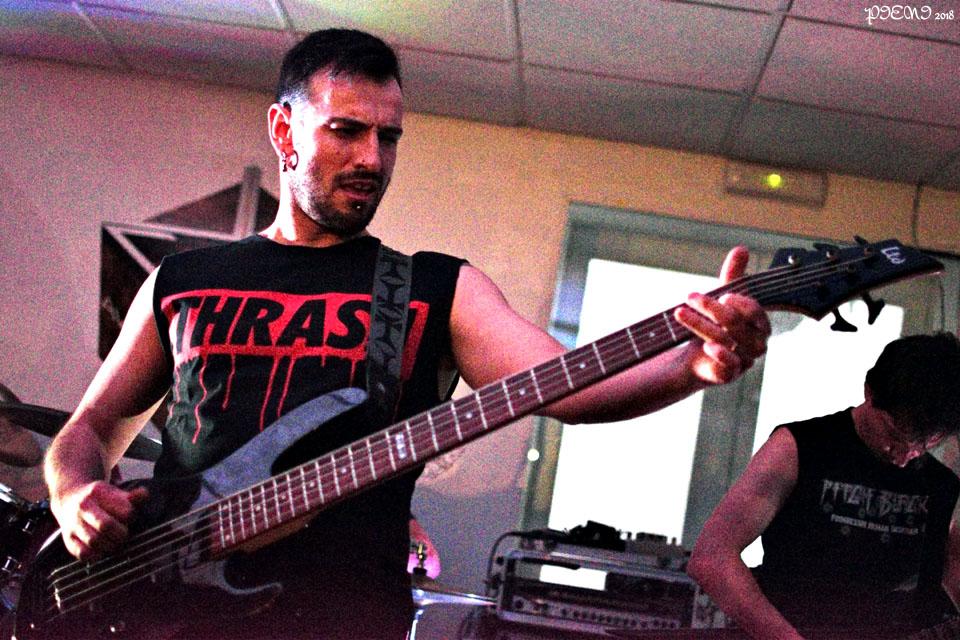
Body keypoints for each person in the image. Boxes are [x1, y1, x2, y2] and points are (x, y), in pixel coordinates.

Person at [43, 28, 770, 639]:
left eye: (387, 137)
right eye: (346, 131)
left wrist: (690, 366)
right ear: (283, 130)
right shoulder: (183, 280)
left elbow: (573, 386)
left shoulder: (435, 289)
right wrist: (74, 493)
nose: (372, 159)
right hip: (162, 608)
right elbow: (90, 429)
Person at [688, 332, 960, 640]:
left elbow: (950, 568)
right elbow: (712, 557)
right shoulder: (800, 448)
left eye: (925, 443)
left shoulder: (940, 483)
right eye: (894, 433)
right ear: (869, 391)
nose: (904, 455)